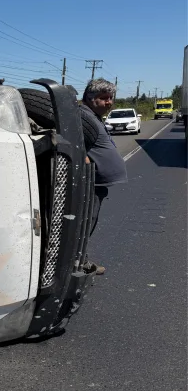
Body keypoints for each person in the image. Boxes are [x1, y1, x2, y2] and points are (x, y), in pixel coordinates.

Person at [79, 78, 128, 274]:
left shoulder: (94, 117)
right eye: (104, 98)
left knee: (89, 223)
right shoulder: (84, 117)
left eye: (110, 98)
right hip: (89, 184)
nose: (109, 102)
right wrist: (85, 162)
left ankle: (80, 261)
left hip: (97, 184)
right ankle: (77, 266)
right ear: (91, 99)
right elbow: (75, 145)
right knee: (84, 225)